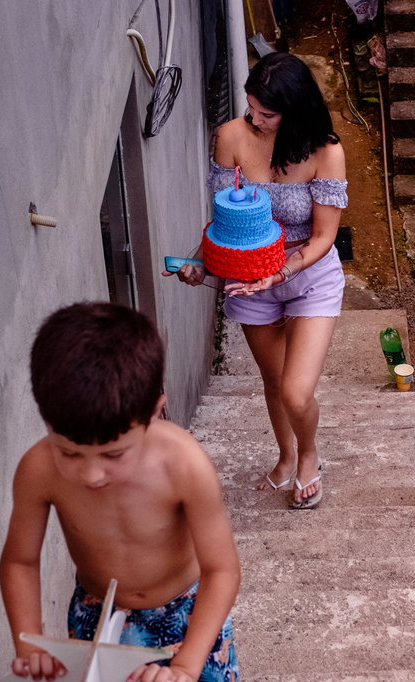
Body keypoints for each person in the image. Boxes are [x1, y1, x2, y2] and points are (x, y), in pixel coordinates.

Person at [0, 303, 241, 682]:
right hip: (102, 619)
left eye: (113, 454)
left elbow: (221, 569)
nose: (90, 475)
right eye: (70, 452)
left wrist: (188, 664)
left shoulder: (185, 466)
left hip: (187, 611)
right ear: (46, 420)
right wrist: (29, 645)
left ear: (154, 410)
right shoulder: (37, 470)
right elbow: (20, 560)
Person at [166, 52, 348, 510]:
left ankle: (309, 455)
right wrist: (203, 264)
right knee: (271, 381)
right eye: (251, 106)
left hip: (305, 273)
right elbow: (228, 222)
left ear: (296, 109)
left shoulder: (326, 152)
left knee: (295, 390)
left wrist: (280, 272)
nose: (254, 118)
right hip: (246, 278)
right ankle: (285, 457)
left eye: (267, 113)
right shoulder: (230, 137)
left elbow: (325, 237)